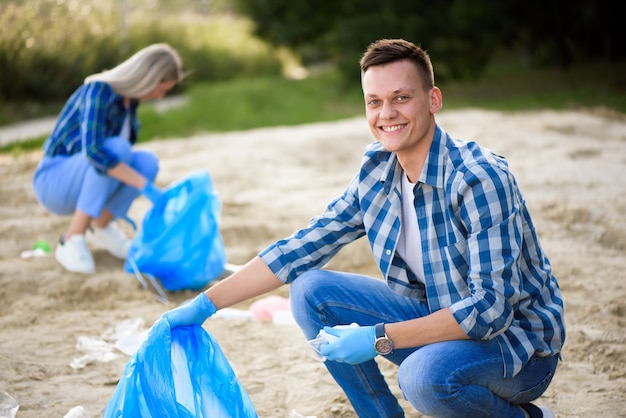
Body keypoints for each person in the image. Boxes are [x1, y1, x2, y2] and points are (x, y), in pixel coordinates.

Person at [162, 38, 565, 418]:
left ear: (433, 99)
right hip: (440, 318)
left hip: (517, 348)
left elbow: (489, 312)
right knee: (310, 290)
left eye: (401, 98)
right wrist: (204, 305)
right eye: (374, 102)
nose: (386, 114)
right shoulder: (377, 169)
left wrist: (377, 337)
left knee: (423, 378)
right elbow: (301, 247)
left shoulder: (477, 179)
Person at [33, 43, 183, 274]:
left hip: (84, 184)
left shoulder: (129, 103)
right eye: (160, 89)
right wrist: (145, 186)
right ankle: (71, 238)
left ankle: (101, 226)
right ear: (147, 78)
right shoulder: (99, 90)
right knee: (117, 149)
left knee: (147, 162)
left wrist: (145, 180)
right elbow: (94, 153)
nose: (160, 97)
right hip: (54, 183)